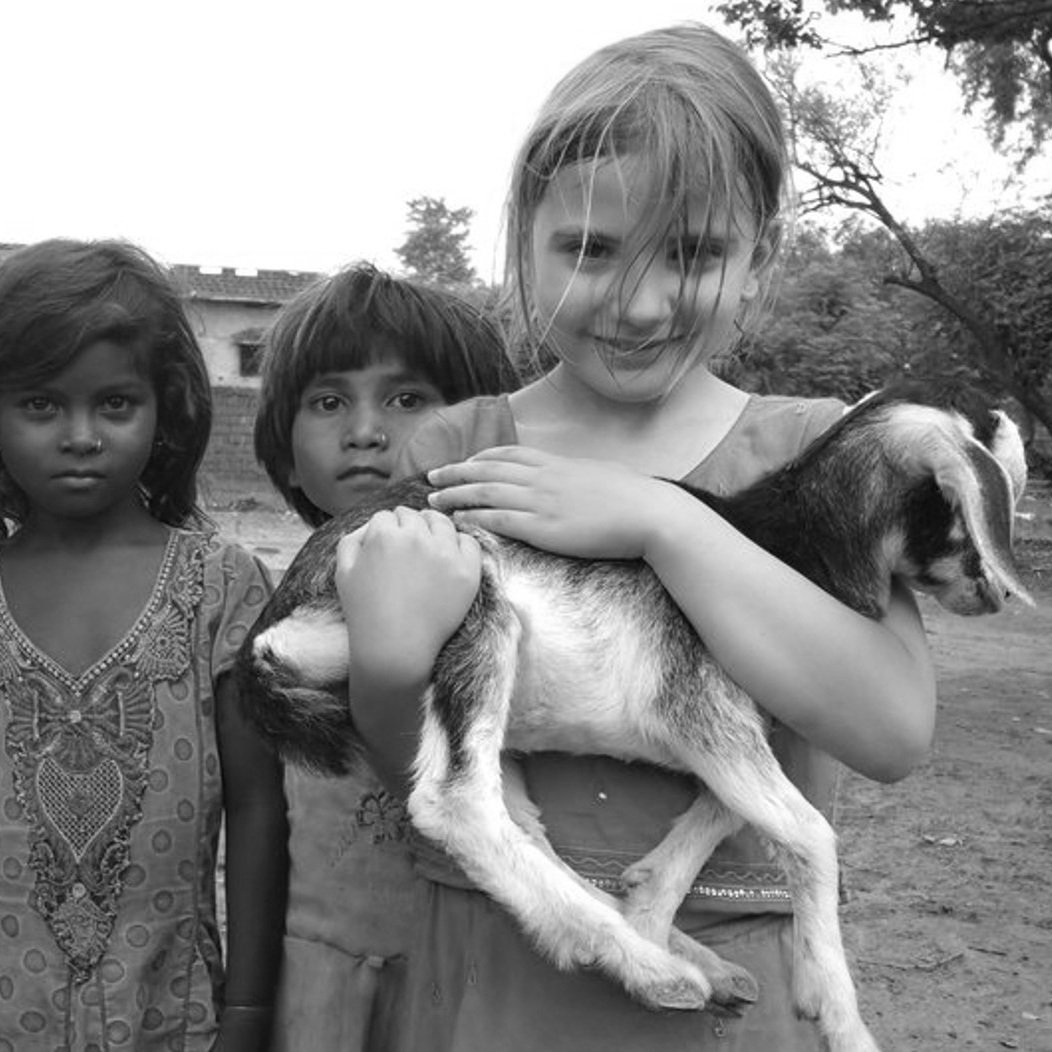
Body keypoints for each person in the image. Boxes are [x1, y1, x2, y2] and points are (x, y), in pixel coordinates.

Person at [334, 23, 937, 1052]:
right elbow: (400, 740)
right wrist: (388, 667)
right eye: (589, 248)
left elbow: (887, 730)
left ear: (761, 256)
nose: (638, 301)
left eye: (694, 253)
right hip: (493, 971)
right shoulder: (460, 446)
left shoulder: (812, 454)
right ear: (525, 234)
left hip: (734, 990)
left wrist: (661, 521)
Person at [0, 239, 288, 1051]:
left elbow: (259, 810)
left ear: (165, 410)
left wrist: (250, 1011)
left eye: (115, 404)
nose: (81, 435)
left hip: (176, 1015)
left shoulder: (220, 587)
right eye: (40, 406)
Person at [253, 261, 518, 1052]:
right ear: (286, 452)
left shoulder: (505, 601)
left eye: (407, 399)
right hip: (319, 975)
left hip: (479, 973)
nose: (366, 430)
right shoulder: (273, 618)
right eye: (329, 401)